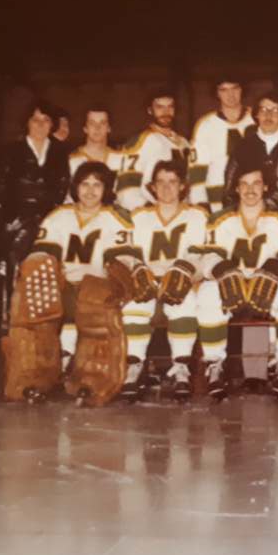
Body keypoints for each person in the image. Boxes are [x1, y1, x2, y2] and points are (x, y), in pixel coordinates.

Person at [195, 162, 278, 399]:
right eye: (243, 184)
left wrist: (276, 269)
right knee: (207, 292)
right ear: (235, 188)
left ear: (266, 186)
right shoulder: (220, 219)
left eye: (256, 183)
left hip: (268, 286)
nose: (250, 190)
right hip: (234, 287)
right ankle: (214, 364)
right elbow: (208, 257)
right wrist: (222, 269)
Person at [25, 162, 135, 391]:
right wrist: (42, 270)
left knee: (93, 300)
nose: (90, 190)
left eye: (97, 184)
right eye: (85, 184)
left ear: (106, 189)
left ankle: (90, 374)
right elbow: (42, 252)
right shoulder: (59, 215)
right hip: (63, 285)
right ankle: (43, 371)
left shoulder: (117, 218)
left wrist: (113, 278)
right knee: (34, 303)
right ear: (76, 187)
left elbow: (124, 259)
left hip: (98, 289)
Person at [113, 160, 209, 402]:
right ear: (152, 187)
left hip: (181, 279)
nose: (167, 188)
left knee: (183, 301)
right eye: (161, 182)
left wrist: (187, 272)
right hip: (147, 277)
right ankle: (134, 365)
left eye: (173, 182)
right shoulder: (138, 217)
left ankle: (181, 367)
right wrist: (136, 268)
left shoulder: (197, 216)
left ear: (182, 186)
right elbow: (123, 252)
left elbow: (200, 255)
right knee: (135, 304)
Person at [0, 100, 70, 328]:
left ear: (52, 125)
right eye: (35, 120)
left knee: (45, 276)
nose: (40, 125)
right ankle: (10, 325)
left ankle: (41, 325)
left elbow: (62, 187)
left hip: (48, 226)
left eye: (46, 120)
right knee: (12, 277)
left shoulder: (59, 153)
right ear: (27, 123)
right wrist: (3, 224)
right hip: (13, 226)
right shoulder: (10, 151)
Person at [117, 90, 191, 211]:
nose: (166, 112)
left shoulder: (184, 143)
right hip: (152, 214)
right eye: (159, 107)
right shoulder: (141, 141)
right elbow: (126, 188)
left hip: (181, 213)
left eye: (170, 107)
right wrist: (148, 211)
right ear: (150, 110)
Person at [189, 77, 255, 212]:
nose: (230, 95)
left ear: (242, 89)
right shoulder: (206, 125)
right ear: (217, 93)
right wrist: (200, 203)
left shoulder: (257, 118)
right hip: (216, 203)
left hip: (254, 198)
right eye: (223, 90)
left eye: (235, 88)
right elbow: (196, 170)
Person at [68, 106, 125, 181]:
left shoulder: (120, 158)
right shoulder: (71, 160)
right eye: (92, 123)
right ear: (85, 128)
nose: (97, 127)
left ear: (109, 128)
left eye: (102, 123)